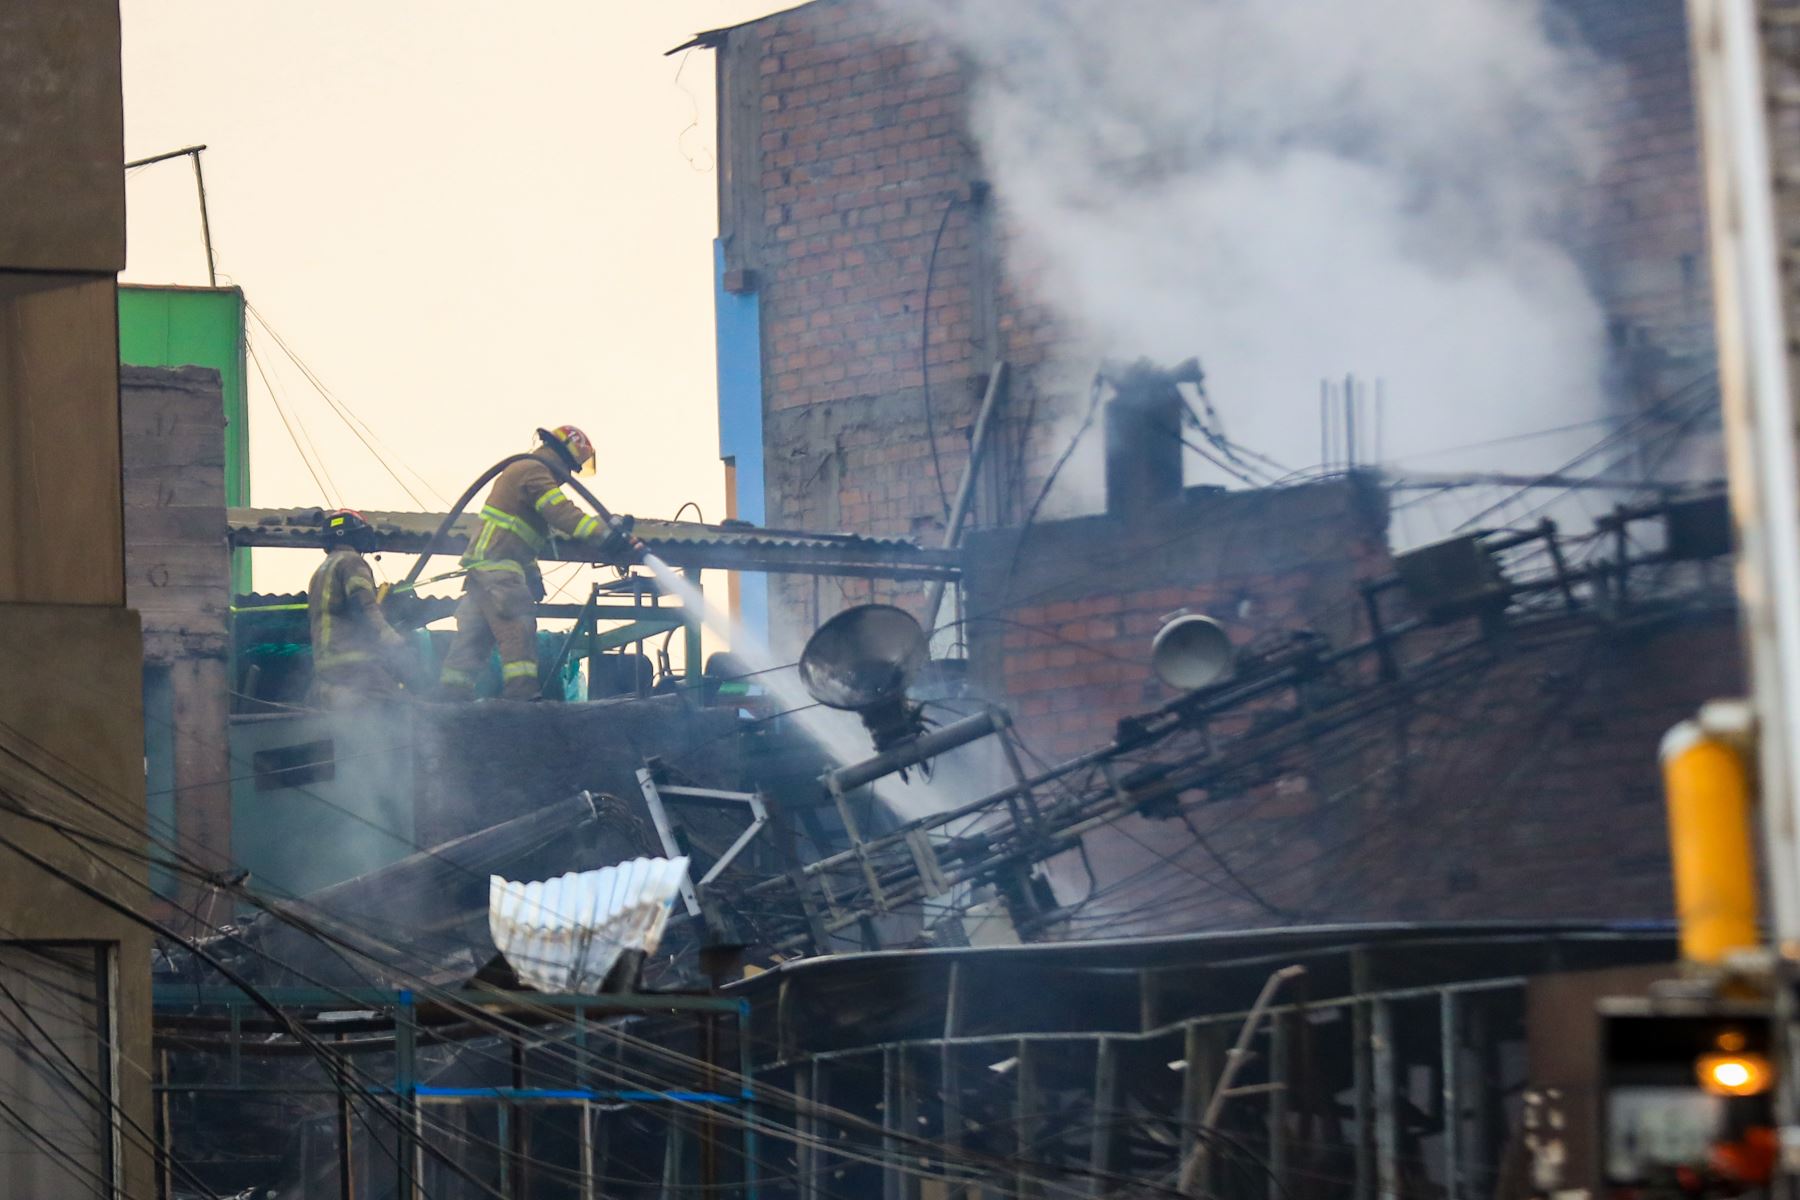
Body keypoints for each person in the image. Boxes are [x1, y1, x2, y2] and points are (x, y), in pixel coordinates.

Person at [438, 425, 608, 701]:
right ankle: (522, 699)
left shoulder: (524, 470)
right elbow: (561, 512)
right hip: (499, 571)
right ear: (564, 459)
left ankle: (450, 700)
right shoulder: (535, 471)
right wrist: (604, 533)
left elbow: (516, 538)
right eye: (571, 470)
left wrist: (532, 574)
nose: (568, 478)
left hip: (485, 572)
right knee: (519, 629)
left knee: (473, 640)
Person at [307, 509, 414, 709]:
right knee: (399, 703)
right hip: (352, 659)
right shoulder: (351, 561)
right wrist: (392, 638)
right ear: (354, 535)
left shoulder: (321, 571)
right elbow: (363, 607)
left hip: (326, 661)